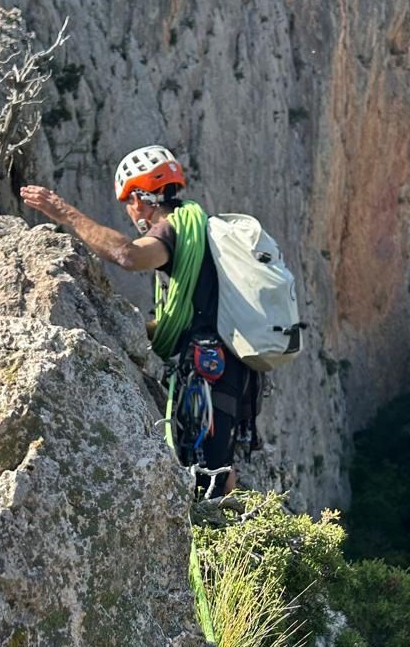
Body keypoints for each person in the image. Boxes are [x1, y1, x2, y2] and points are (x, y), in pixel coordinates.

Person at [20, 145, 257, 497]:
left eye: (128, 201)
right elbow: (185, 313)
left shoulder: (173, 230)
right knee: (217, 468)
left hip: (211, 371)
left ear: (140, 198)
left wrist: (66, 214)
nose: (130, 212)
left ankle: (217, 548)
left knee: (209, 477)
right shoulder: (201, 229)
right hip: (231, 368)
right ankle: (226, 536)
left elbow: (129, 255)